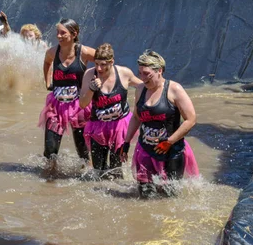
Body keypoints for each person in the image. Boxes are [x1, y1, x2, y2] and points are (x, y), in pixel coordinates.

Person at [120, 50, 199, 198]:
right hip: (145, 150)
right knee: (144, 196)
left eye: (146, 74)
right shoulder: (140, 89)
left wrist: (169, 142)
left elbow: (191, 119)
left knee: (169, 198)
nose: (142, 78)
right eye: (140, 73)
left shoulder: (174, 89)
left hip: (172, 151)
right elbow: (136, 117)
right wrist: (126, 142)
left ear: (159, 71)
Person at [38, 19, 95, 177]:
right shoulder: (52, 52)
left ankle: (88, 174)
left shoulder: (84, 52)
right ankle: (50, 176)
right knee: (50, 148)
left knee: (82, 149)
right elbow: (47, 62)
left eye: (63, 32)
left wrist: (95, 85)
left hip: (79, 106)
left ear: (74, 34)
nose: (58, 36)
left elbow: (104, 61)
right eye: (57, 32)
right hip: (56, 105)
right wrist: (47, 81)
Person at [79, 43, 142, 179]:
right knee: (98, 171)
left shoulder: (124, 73)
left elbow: (143, 87)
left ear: (112, 62)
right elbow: (83, 104)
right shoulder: (90, 74)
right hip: (98, 126)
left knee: (116, 170)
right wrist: (91, 89)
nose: (99, 68)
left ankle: (117, 197)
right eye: (96, 64)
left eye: (103, 64)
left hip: (119, 126)